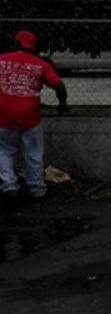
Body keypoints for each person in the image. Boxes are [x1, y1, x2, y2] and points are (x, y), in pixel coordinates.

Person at [0, 30, 68, 200]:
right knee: (34, 153)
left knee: (5, 151)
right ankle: (37, 188)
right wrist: (62, 105)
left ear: (16, 43)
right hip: (29, 116)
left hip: (3, 114)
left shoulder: (1, 60)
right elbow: (59, 86)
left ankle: (9, 186)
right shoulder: (40, 64)